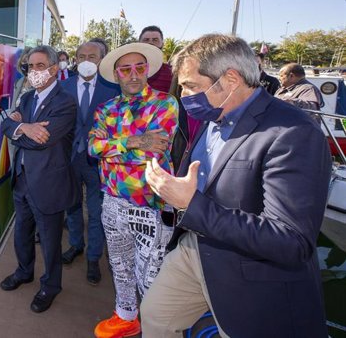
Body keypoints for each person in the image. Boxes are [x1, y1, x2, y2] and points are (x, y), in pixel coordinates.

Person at [141, 34, 331, 337]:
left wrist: (190, 204)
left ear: (230, 79)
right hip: (194, 247)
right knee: (155, 317)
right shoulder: (213, 113)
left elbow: (291, 241)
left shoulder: (294, 133)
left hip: (250, 271)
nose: (184, 94)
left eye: (192, 85)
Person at [88, 43, 178, 338]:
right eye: (126, 69)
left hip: (150, 204)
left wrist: (114, 146)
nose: (134, 74)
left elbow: (155, 150)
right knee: (119, 264)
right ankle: (126, 316)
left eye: (140, 67)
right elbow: (93, 147)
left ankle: (156, 329)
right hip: (112, 202)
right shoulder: (105, 109)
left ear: (148, 70)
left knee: (150, 275)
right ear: (116, 75)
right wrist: (134, 141)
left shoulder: (166, 104)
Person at [0, 45, 78, 314]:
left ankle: (51, 286)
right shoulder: (27, 98)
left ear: (54, 69)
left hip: (48, 184)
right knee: (21, 232)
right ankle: (24, 272)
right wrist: (23, 127)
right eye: (30, 66)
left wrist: (18, 129)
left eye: (39, 66)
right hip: (22, 180)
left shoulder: (65, 102)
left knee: (50, 240)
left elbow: (43, 141)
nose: (33, 71)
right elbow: (5, 124)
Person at [61, 42, 121, 285]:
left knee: (96, 211)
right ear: (76, 58)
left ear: (102, 59)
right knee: (73, 206)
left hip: (99, 161)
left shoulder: (113, 88)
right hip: (69, 158)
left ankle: (94, 257)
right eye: (82, 56)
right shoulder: (63, 86)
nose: (87, 60)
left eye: (92, 56)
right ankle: (76, 245)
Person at [139, 25, 173, 92]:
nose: (150, 43)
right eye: (146, 40)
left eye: (155, 40)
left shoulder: (173, 72)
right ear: (139, 43)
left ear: (162, 44)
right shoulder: (126, 70)